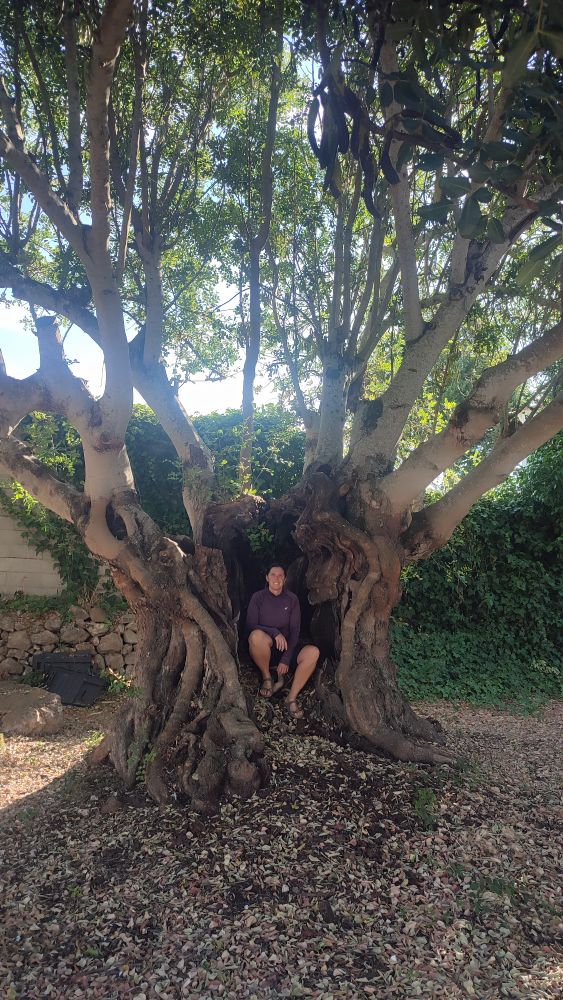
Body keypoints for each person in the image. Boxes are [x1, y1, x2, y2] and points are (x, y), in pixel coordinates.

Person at [246, 564, 320, 718]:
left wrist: (286, 659)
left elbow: (295, 631)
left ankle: (291, 698)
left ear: (285, 579)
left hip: (288, 647)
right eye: (273, 575)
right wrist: (274, 632)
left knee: (313, 652)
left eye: (280, 575)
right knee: (256, 636)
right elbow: (251, 625)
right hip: (265, 649)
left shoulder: (292, 599)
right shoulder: (258, 598)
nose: (276, 578)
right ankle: (267, 677)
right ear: (267, 578)